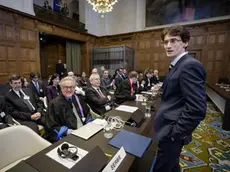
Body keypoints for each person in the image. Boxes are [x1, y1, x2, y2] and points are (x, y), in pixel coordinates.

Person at [152, 25, 206, 172]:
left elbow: (197, 109)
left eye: (174, 41)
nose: (168, 45)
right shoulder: (176, 65)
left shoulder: (189, 65)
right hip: (169, 128)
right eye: (165, 42)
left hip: (172, 132)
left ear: (185, 42)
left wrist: (175, 134)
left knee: (162, 168)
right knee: (171, 165)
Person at [45, 76, 91, 143]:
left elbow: (87, 113)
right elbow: (51, 126)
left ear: (74, 88)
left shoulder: (77, 98)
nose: (69, 90)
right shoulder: (54, 104)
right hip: (69, 137)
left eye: (71, 87)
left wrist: (88, 122)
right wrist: (67, 131)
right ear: (61, 88)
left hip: (84, 131)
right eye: (66, 87)